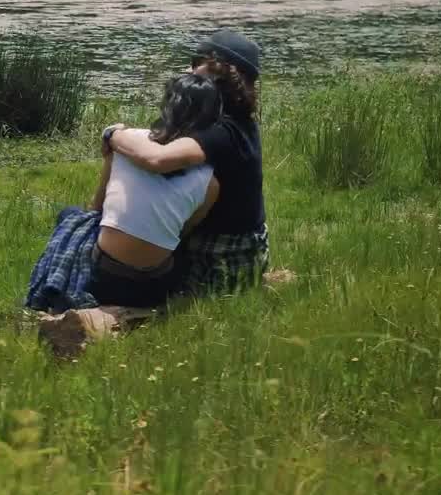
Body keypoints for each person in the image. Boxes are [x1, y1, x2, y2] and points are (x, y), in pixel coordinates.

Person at [26, 74, 222, 313]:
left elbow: (96, 207)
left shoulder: (128, 142)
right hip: (155, 287)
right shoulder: (210, 182)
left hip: (105, 280)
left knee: (70, 215)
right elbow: (183, 232)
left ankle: (65, 291)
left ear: (168, 106)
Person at [107, 29, 269, 297]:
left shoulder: (221, 132)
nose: (188, 68)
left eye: (197, 62)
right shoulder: (238, 122)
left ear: (220, 72)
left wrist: (114, 135)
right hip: (247, 248)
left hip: (221, 255)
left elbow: (156, 159)